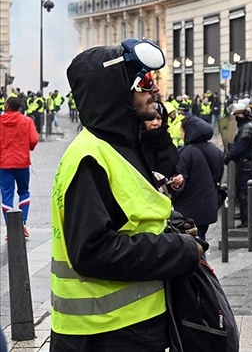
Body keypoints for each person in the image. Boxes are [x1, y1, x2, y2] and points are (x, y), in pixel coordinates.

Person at [50, 39, 204, 352]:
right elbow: (91, 250)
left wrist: (173, 226)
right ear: (118, 93)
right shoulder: (90, 158)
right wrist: (179, 250)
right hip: (103, 333)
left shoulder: (120, 146)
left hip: (130, 327)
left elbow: (137, 212)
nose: (156, 91)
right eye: (145, 83)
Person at [172, 115, 223, 243]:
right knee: (201, 239)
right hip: (209, 206)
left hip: (190, 208)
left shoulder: (186, 153)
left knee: (194, 245)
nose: (180, 133)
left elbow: (180, 180)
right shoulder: (216, 151)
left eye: (182, 130)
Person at [0, 96, 38, 238]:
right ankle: (22, 224)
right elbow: (34, 140)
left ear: (8, 106)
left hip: (4, 163)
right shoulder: (27, 121)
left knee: (6, 195)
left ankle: (11, 228)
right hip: (22, 162)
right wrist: (28, 148)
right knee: (24, 191)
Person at [224, 102, 252, 228]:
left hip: (247, 165)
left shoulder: (247, 128)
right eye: (236, 114)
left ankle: (247, 220)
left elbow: (241, 147)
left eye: (239, 114)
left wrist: (229, 157)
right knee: (247, 192)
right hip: (250, 163)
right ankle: (247, 217)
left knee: (244, 193)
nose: (237, 116)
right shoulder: (248, 126)